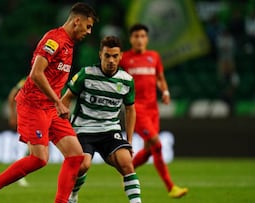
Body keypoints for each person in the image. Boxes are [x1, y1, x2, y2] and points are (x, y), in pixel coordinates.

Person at [0, 3, 98, 203]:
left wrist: (56, 102)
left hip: (50, 107)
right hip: (33, 105)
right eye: (88, 26)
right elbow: (36, 74)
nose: (89, 31)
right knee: (39, 159)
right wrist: (58, 101)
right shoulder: (53, 40)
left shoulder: (69, 44)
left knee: (77, 157)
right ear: (77, 21)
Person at [62, 36, 141, 203]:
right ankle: (74, 195)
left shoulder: (126, 81)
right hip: (84, 130)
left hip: (110, 131)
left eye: (115, 56)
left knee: (127, 163)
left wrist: (130, 140)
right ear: (100, 55)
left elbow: (130, 109)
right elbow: (66, 99)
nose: (111, 60)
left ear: (121, 57)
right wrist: (64, 127)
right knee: (83, 165)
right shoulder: (86, 74)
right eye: (107, 56)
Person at [119, 23, 188, 198]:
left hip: (152, 109)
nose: (140, 40)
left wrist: (165, 91)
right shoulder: (124, 59)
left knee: (150, 149)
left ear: (147, 39)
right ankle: (171, 187)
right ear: (131, 39)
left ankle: (128, 171)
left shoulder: (154, 57)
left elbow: (160, 78)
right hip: (136, 109)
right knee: (157, 144)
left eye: (143, 36)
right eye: (136, 36)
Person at [6, 76, 29, 187]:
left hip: (36, 117)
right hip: (27, 117)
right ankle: (18, 176)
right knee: (23, 147)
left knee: (29, 149)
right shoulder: (28, 79)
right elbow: (12, 96)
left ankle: (18, 174)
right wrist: (12, 115)